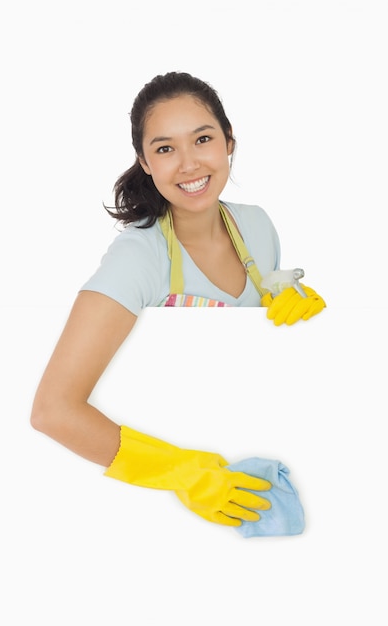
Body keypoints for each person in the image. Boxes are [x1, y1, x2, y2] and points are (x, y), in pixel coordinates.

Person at [30, 72, 325, 529]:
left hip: (255, 473)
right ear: (145, 162)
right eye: (165, 148)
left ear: (229, 142)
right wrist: (181, 473)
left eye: (202, 139)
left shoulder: (257, 227)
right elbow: (52, 410)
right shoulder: (140, 257)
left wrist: (289, 297)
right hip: (166, 505)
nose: (188, 164)